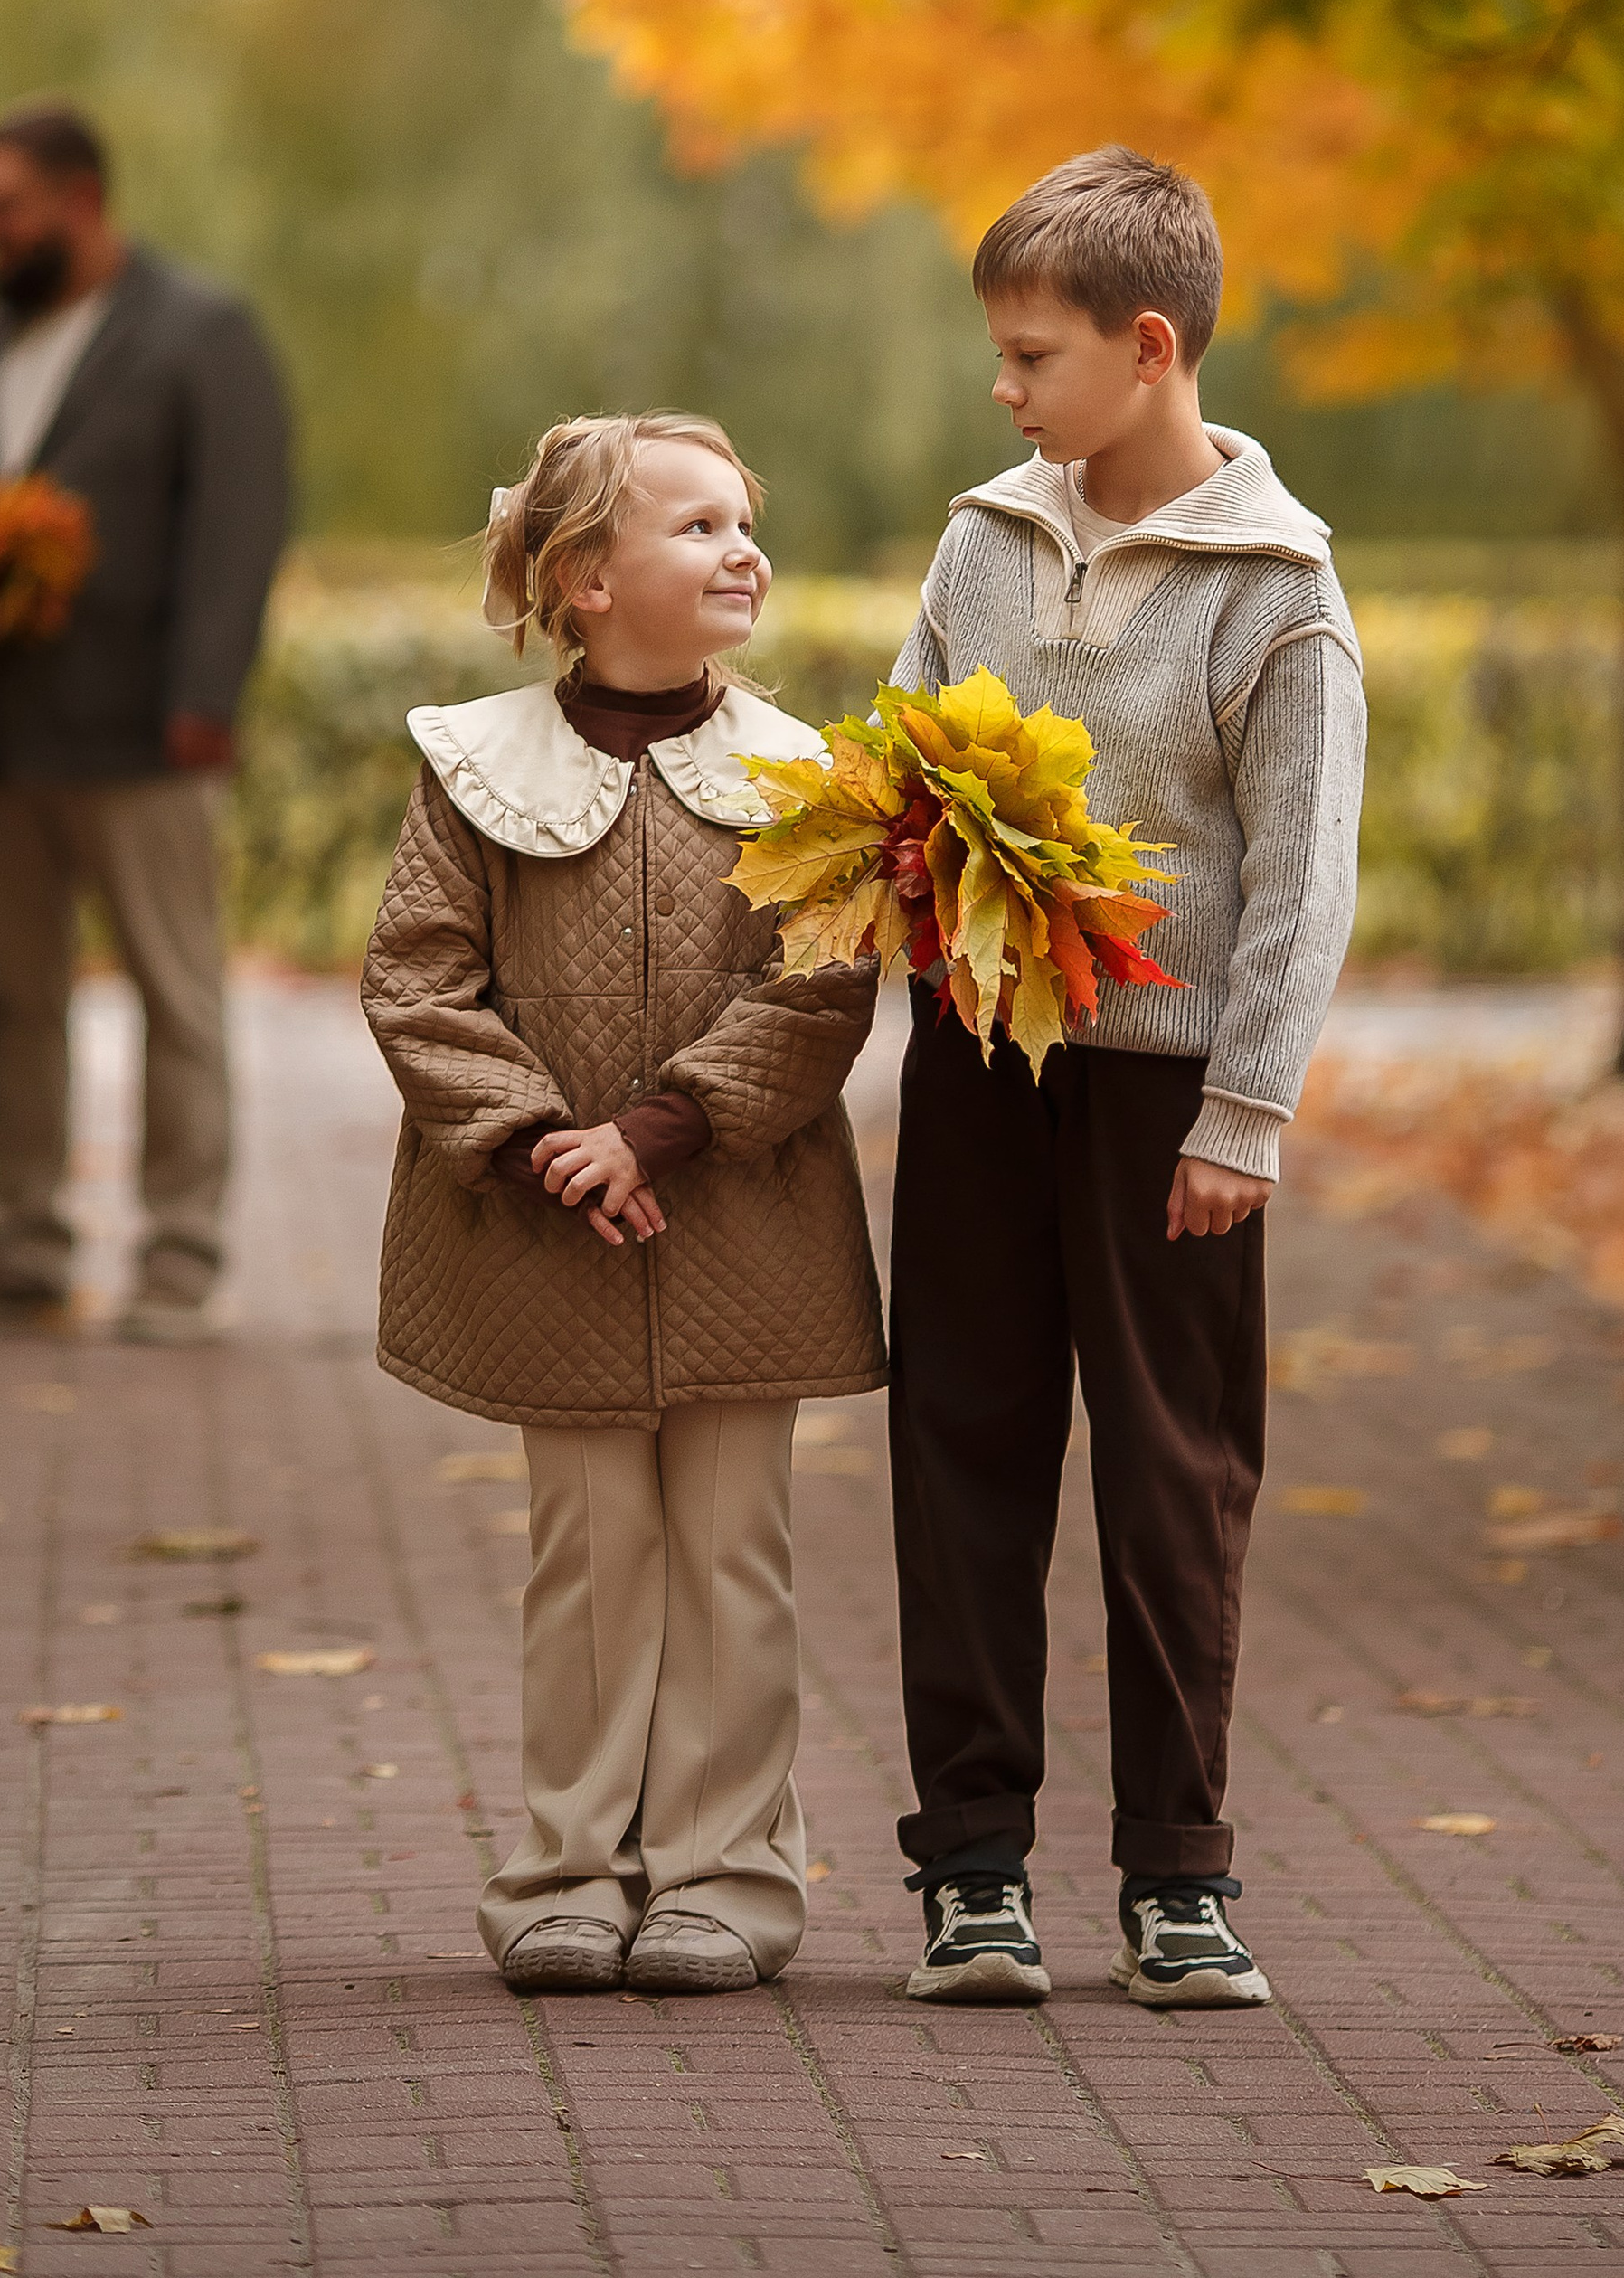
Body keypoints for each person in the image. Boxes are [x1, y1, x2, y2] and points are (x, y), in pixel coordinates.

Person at [885, 146, 1365, 2012]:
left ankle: (1176, 1873)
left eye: (1029, 357)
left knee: (1172, 1469)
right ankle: (969, 1869)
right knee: (962, 1444)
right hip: (977, 1065)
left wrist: (1243, 1114)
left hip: (1169, 1098)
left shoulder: (1277, 590)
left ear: (1145, 348)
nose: (1002, 391)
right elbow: (901, 753)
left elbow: (1296, 869)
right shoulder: (979, 539)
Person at [364, 411, 885, 1997]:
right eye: (700, 528)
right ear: (585, 578)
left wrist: (655, 1130)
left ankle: (729, 1870)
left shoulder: (808, 775)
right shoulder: (475, 769)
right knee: (589, 1546)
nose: (746, 552)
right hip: (548, 1232)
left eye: (746, 521)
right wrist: (539, 1140)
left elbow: (829, 980)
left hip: (744, 1222)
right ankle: (569, 1866)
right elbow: (418, 976)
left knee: (734, 1542)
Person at [0, 99, 291, 1344]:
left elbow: (240, 522)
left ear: (80, 198)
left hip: (149, 732)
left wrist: (206, 695)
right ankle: (24, 1248)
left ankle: (179, 1260)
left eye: (5, 207)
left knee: (175, 996)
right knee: (14, 1003)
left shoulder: (202, 330)